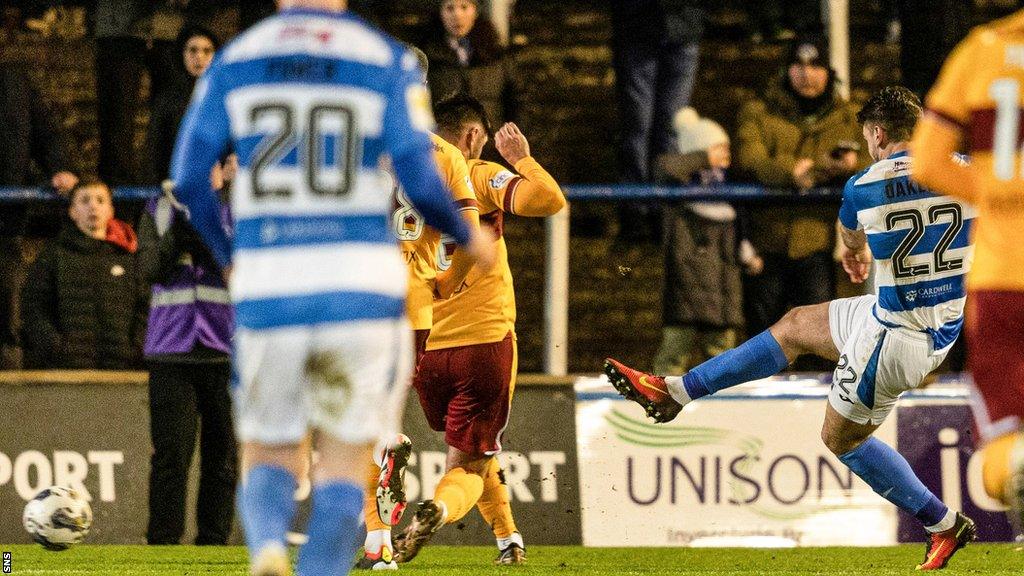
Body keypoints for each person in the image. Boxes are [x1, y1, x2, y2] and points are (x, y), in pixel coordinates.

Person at [168, 1, 494, 575]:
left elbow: (191, 178)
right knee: (346, 459)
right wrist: (467, 233)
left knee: (269, 448)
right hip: (359, 290)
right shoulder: (383, 59)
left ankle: (268, 545)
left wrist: (228, 256)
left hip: (271, 286)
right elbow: (419, 175)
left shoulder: (237, 59)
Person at [605, 86, 977, 570]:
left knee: (842, 440)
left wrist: (854, 252)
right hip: (932, 325)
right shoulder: (966, 169)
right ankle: (674, 391)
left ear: (878, 133)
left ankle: (941, 522)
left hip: (894, 339)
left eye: (867, 136)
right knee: (797, 324)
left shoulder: (863, 184)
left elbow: (850, 236)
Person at [393, 92, 565, 566]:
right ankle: (440, 506)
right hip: (485, 341)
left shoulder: (403, 175)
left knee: (477, 450)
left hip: (427, 348)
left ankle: (509, 540)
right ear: (472, 136)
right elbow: (550, 200)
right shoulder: (477, 173)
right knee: (467, 464)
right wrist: (522, 159)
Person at [356, 46, 484, 572]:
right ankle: (377, 541)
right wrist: (444, 285)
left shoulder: (356, 147)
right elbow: (471, 237)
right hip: (416, 308)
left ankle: (376, 535)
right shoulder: (444, 155)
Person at [910, 9, 1024, 539]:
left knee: (1002, 450)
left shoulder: (982, 48)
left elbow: (926, 164)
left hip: (1002, 272)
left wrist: (1000, 199)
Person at [736, 33, 870, 339]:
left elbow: (876, 158)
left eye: (815, 65)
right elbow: (749, 159)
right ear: (786, 71)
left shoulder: (848, 116)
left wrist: (849, 166)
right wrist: (791, 171)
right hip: (767, 241)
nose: (807, 74)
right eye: (798, 65)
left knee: (820, 336)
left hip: (816, 242)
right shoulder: (759, 112)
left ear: (828, 73)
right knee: (762, 337)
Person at [138, 160, 236, 546]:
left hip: (226, 350)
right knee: (170, 458)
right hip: (171, 351)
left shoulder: (241, 208)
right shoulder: (157, 208)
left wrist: (209, 245)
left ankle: (213, 543)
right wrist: (179, 235)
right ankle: (162, 544)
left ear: (219, 171)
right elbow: (149, 269)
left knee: (223, 459)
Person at [652, 107, 761, 374]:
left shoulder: (730, 195)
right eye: (718, 149)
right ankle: (661, 400)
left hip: (722, 294)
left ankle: (723, 407)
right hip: (687, 291)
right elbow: (665, 169)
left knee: (723, 359)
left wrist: (748, 253)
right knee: (674, 354)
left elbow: (740, 234)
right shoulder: (681, 196)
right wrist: (702, 158)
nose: (726, 155)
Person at [20, 181, 147, 369]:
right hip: (68, 373)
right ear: (72, 212)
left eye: (100, 200)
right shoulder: (54, 256)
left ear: (111, 211)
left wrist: (135, 349)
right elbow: (33, 307)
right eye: (85, 200)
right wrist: (57, 349)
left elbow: (145, 307)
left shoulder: (127, 258)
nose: (93, 206)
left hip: (122, 369)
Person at [0, 64, 79, 368]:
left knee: (6, 295)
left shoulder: (14, 81)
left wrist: (61, 167)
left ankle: (8, 382)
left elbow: (47, 133)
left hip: (7, 217)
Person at [420, 0, 518, 128]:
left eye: (464, 7)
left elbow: (516, 101)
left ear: (475, 11)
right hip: (444, 142)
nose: (457, 15)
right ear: (440, 13)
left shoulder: (497, 55)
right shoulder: (427, 56)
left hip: (491, 141)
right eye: (450, 8)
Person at [147, 25, 219, 183]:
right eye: (193, 50)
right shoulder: (167, 100)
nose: (199, 57)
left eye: (207, 51)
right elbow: (154, 151)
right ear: (182, 54)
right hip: (174, 187)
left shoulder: (226, 98)